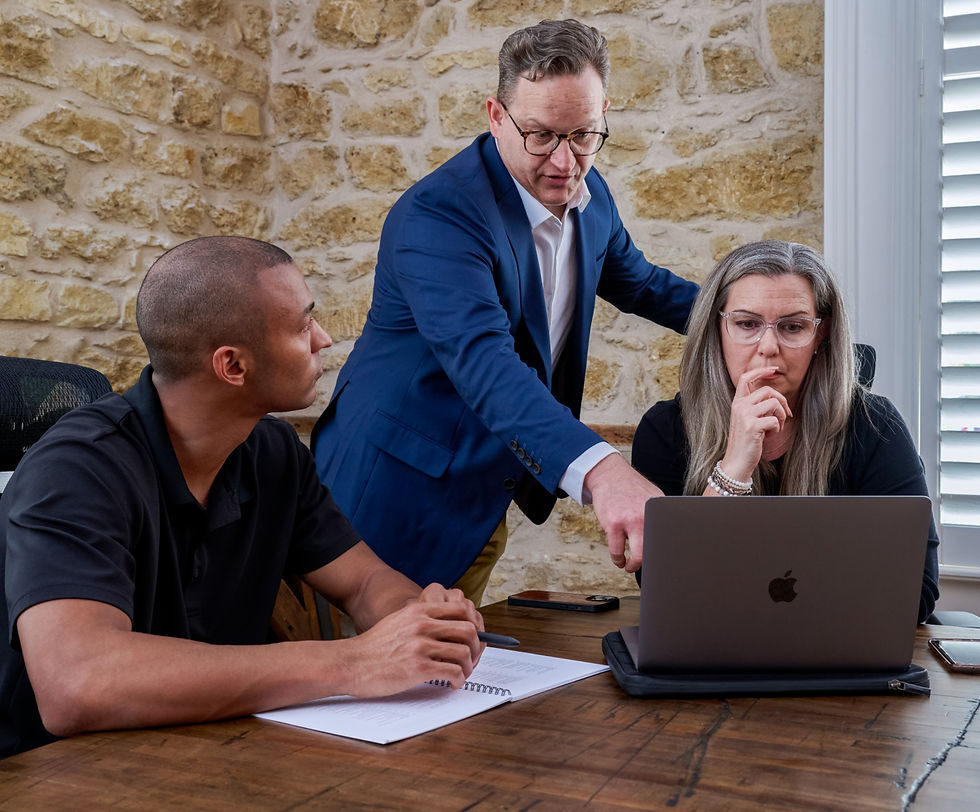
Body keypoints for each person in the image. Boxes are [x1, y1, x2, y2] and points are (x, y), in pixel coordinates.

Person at [0, 236, 485, 758]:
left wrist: (423, 620)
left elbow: (364, 579)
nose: (323, 339)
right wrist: (353, 662)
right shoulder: (75, 470)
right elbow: (79, 684)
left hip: (215, 750)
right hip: (57, 775)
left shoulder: (272, 450)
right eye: (302, 325)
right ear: (232, 366)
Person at [311, 19, 699, 603]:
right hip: (389, 496)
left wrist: (751, 318)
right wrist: (604, 472)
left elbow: (643, 284)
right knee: (373, 682)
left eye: (584, 135)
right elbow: (484, 362)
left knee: (448, 680)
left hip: (484, 491)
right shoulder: (438, 216)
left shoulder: (592, 200)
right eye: (540, 135)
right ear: (496, 116)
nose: (565, 162)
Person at [631, 240, 939, 622]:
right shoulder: (664, 430)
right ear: (718, 328)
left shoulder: (876, 426)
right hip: (714, 659)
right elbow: (670, 591)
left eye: (793, 327)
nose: (768, 347)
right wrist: (732, 470)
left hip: (840, 657)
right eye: (746, 324)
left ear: (821, 334)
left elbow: (917, 595)